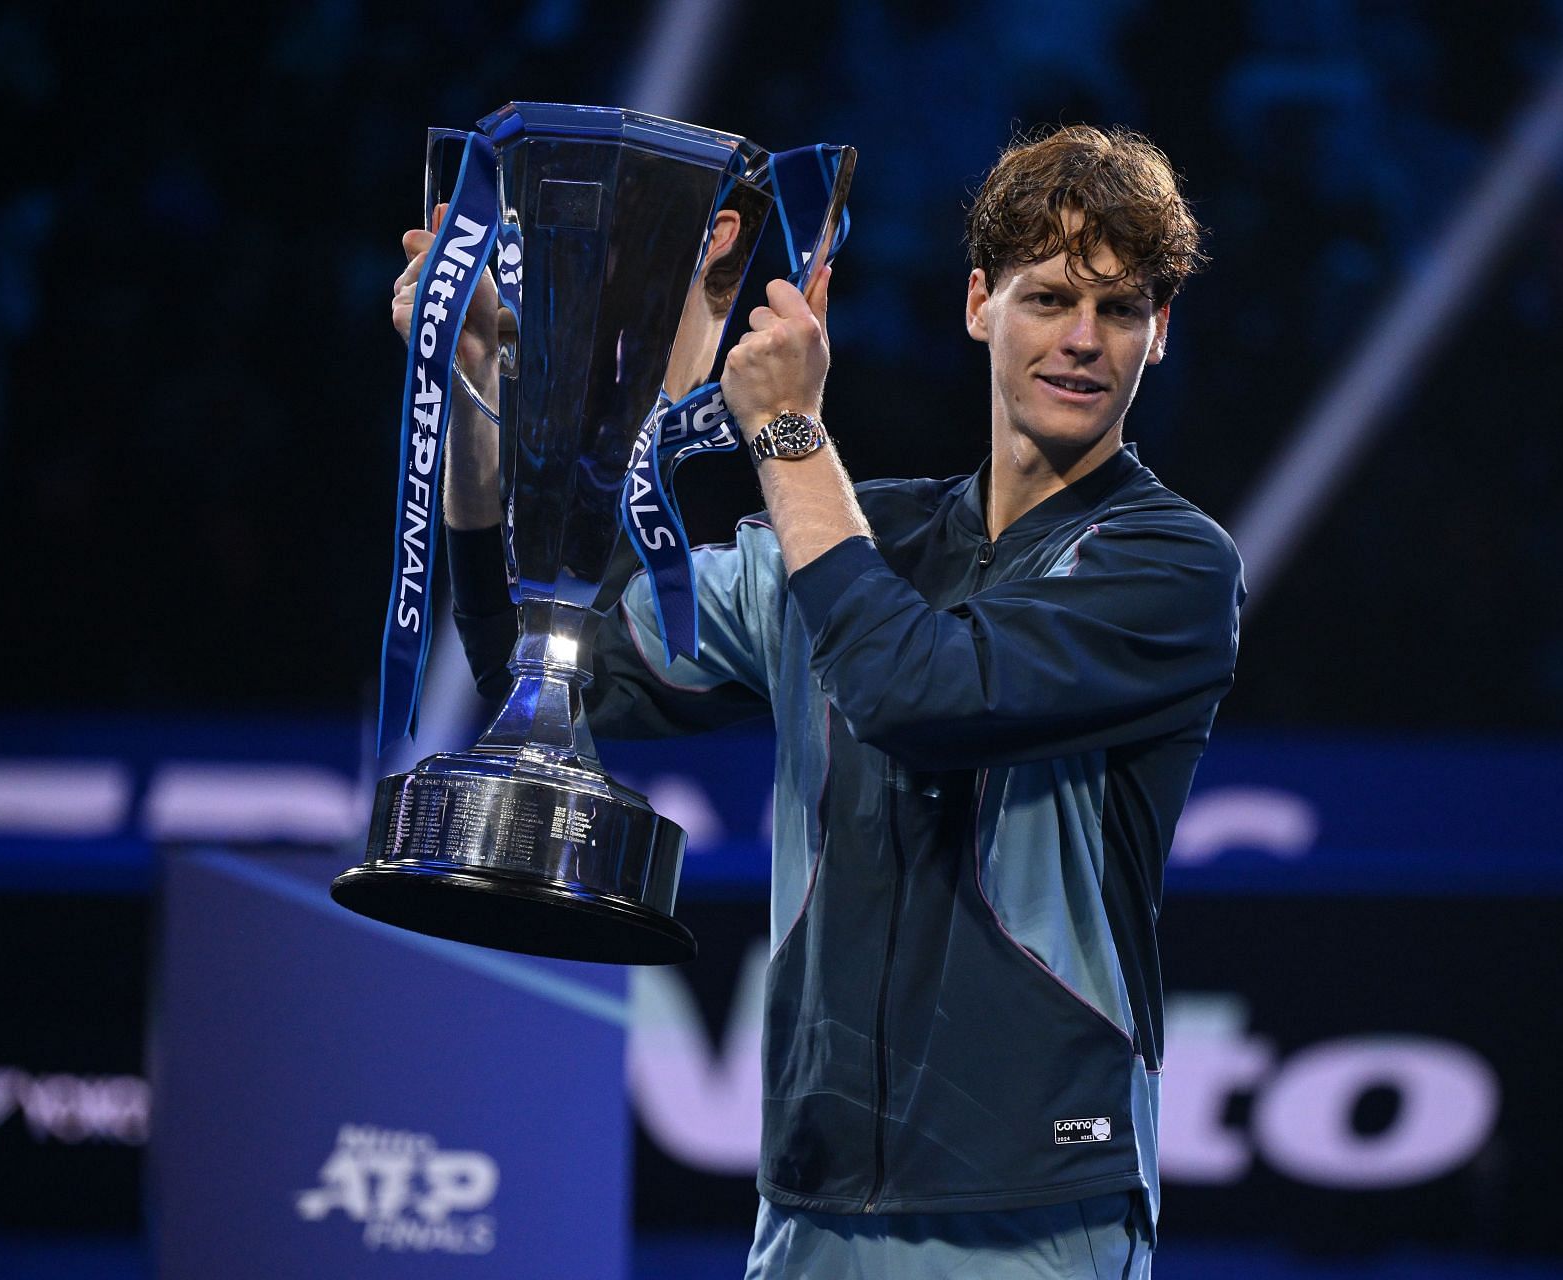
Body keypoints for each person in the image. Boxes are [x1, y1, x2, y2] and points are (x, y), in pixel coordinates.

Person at [393, 122, 1243, 1279]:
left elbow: (919, 690)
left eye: (1122, 309)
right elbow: (534, 667)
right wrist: (481, 406)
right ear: (979, 303)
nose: (1083, 340)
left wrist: (789, 434)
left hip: (1034, 1211)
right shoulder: (858, 528)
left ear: (1158, 335)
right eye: (1049, 299)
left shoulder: (1173, 566)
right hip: (808, 1200)